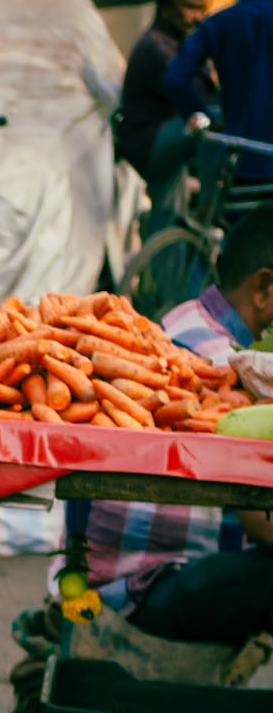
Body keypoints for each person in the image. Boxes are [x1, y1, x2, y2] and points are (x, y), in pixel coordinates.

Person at [65, 205, 273, 648]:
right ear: (263, 288)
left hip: (99, 581)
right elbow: (263, 527)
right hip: (136, 595)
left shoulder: (187, 317)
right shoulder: (228, 367)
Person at [165, 0, 273, 199]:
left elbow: (175, 78)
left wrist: (203, 117)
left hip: (239, 153)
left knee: (238, 234)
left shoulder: (218, 23)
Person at [116, 0, 210, 218]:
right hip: (149, 143)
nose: (197, 16)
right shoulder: (155, 47)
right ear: (166, 8)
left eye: (201, 8)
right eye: (189, 7)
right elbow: (195, 93)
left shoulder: (177, 43)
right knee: (211, 122)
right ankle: (211, 200)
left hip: (160, 139)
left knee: (168, 216)